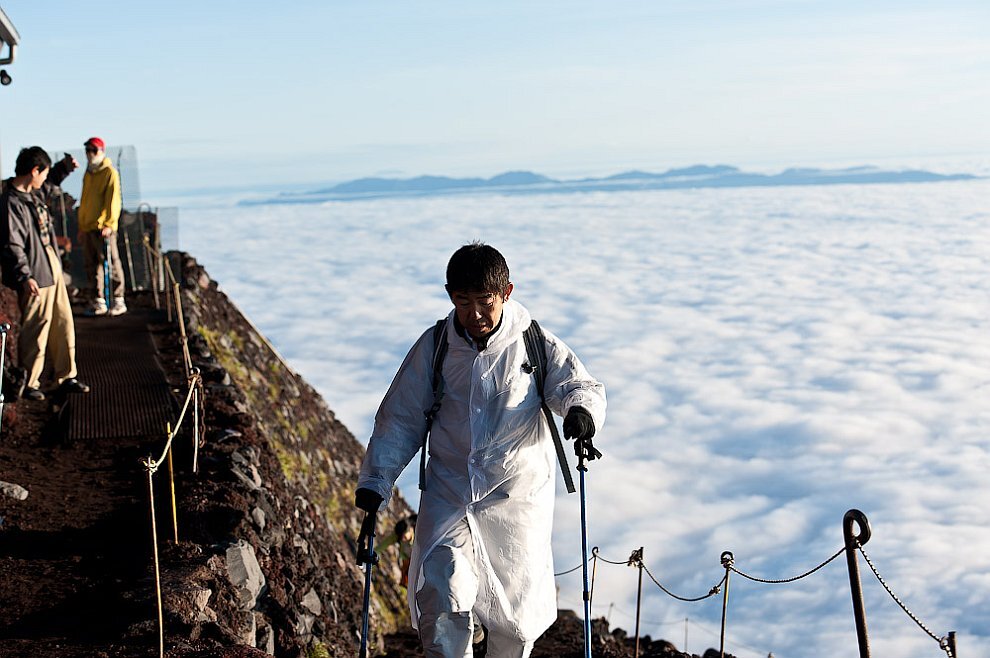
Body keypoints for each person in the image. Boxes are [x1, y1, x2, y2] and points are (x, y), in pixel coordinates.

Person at [354, 242, 606, 658]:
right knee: (441, 592)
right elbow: (400, 418)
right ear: (449, 295)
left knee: (517, 623)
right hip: (450, 494)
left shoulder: (533, 342)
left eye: (484, 301)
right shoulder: (435, 347)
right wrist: (375, 482)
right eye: (462, 301)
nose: (473, 314)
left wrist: (580, 414)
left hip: (516, 500)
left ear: (506, 292)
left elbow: (578, 385)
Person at [0, 147, 90, 401]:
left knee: (63, 322)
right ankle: (29, 381)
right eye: (44, 173)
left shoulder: (31, 194)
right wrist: (25, 276)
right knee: (37, 326)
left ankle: (66, 375)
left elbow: (48, 186)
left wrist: (63, 169)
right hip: (34, 271)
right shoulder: (11, 203)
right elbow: (13, 244)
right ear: (33, 171)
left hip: (51, 264)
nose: (44, 179)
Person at [78, 136, 125, 316]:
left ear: (101, 152)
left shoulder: (109, 172)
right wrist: (82, 226)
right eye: (88, 150)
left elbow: (113, 200)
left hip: (103, 228)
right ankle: (99, 300)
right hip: (89, 226)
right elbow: (85, 200)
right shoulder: (88, 173)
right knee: (92, 264)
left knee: (111, 261)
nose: (90, 154)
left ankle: (118, 299)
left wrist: (110, 224)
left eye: (94, 150)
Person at [378, 514, 417, 588]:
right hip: (407, 558)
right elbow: (382, 546)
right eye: (401, 537)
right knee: (405, 569)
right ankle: (404, 585)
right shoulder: (398, 534)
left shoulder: (421, 536)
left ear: (411, 530)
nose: (403, 539)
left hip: (417, 560)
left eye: (405, 537)